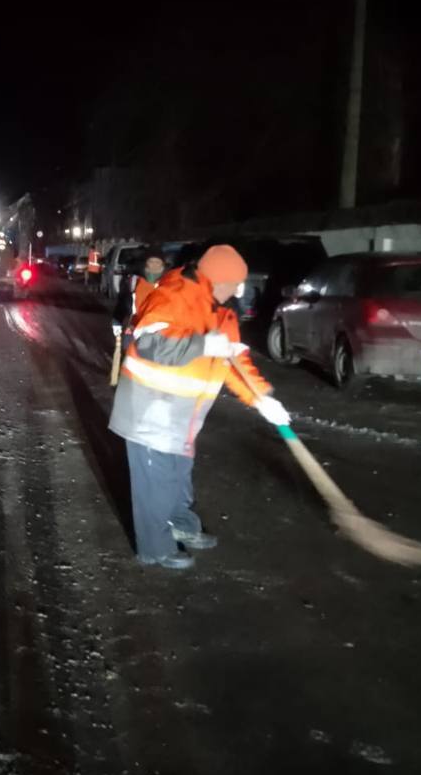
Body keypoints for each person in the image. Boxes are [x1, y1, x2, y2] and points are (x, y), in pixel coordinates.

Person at [108, 244, 290, 569]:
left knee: (179, 478)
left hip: (183, 416)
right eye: (236, 282)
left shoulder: (221, 309)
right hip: (150, 412)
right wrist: (203, 344)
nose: (239, 289)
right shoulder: (175, 294)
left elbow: (233, 360)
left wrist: (262, 398)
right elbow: (149, 344)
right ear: (219, 279)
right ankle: (155, 548)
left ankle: (180, 524)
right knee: (156, 485)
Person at [112, 246, 167, 340]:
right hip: (135, 330)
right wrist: (117, 321)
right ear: (146, 264)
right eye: (151, 261)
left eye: (157, 262)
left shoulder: (168, 283)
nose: (154, 265)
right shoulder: (134, 281)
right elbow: (123, 302)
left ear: (163, 265)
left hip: (161, 334)